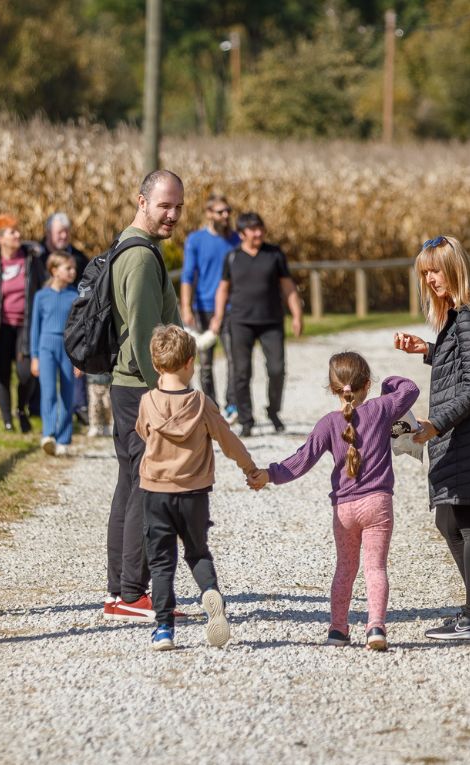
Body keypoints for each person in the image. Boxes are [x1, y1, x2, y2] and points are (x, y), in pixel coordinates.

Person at [392, 235, 470, 640]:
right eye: (425, 273)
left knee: (467, 521)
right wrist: (429, 350)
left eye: (436, 271)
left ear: (455, 267)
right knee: (448, 519)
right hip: (465, 431)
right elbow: (469, 363)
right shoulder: (467, 312)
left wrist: (435, 424)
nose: (430, 280)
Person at [254, 352, 418, 651]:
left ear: (333, 388)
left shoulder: (328, 423)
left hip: (344, 509)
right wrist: (387, 386)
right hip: (378, 504)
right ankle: (376, 627)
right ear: (366, 384)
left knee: (344, 569)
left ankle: (338, 630)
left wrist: (269, 475)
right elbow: (409, 388)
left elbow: (301, 461)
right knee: (375, 569)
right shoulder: (382, 408)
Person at [135, 325, 263, 650]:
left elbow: (142, 433)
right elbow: (228, 440)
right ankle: (210, 592)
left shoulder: (148, 402)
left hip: (156, 492)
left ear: (156, 364)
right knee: (197, 552)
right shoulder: (201, 403)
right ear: (190, 362)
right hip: (194, 494)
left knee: (161, 562)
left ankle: (164, 629)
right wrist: (250, 468)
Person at [104, 169, 185, 623]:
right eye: (164, 206)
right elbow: (145, 334)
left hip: (128, 386)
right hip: (141, 388)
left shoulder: (134, 246)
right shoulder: (139, 257)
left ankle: (121, 589)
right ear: (142, 202)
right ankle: (132, 593)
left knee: (130, 484)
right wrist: (164, 391)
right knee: (144, 489)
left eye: (178, 207)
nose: (172, 214)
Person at [209, 212, 303, 437]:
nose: (258, 233)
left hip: (272, 322)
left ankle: (273, 411)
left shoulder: (274, 254)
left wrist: (297, 315)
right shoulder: (232, 257)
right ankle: (246, 419)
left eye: (260, 228)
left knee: (277, 370)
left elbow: (288, 286)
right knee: (241, 372)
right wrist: (217, 316)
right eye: (253, 230)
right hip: (241, 323)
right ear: (242, 234)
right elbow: (223, 289)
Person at [0, 214, 46, 433]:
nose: (18, 235)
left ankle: (21, 409)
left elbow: (43, 288)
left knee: (27, 373)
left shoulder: (31, 259)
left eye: (17, 231)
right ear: (0, 238)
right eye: (12, 232)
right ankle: (7, 421)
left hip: (26, 326)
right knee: (2, 375)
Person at [180, 194, 241, 415]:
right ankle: (211, 406)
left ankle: (232, 404)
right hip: (203, 308)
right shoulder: (195, 240)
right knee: (205, 362)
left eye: (228, 211)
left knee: (234, 359)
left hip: (231, 308)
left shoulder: (236, 240)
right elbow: (188, 276)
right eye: (220, 211)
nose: (225, 215)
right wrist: (186, 307)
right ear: (209, 213)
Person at [30, 253, 81, 456]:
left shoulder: (75, 296)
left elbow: (79, 329)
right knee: (49, 391)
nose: (73, 272)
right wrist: (35, 356)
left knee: (68, 393)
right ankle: (48, 434)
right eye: (68, 268)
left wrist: (79, 358)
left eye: (73, 268)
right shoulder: (41, 296)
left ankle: (64, 439)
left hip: (68, 349)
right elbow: (35, 328)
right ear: (54, 271)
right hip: (46, 348)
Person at [43, 211, 92, 424]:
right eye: (59, 232)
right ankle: (47, 416)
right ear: (48, 234)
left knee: (75, 365)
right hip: (49, 323)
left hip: (74, 319)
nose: (63, 236)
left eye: (66, 232)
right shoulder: (37, 256)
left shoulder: (80, 258)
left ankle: (79, 407)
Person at [86, 371, 113, 437]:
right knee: (94, 405)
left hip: (107, 382)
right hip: (93, 381)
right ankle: (94, 426)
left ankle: (107, 425)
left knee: (107, 405)